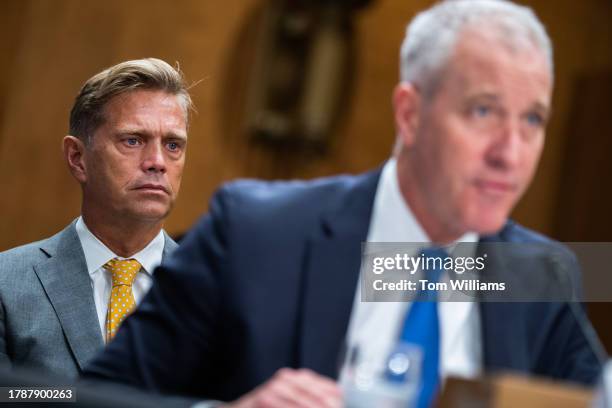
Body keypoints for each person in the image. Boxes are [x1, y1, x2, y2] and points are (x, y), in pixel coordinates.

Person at [84, 1, 604, 407]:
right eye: (484, 110)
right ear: (410, 114)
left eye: (533, 119)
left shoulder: (540, 277)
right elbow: (94, 397)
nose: (509, 154)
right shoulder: (253, 233)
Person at [0, 58, 192, 379]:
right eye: (133, 140)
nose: (158, 162)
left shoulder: (219, 290)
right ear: (77, 158)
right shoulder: (6, 285)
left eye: (173, 144)